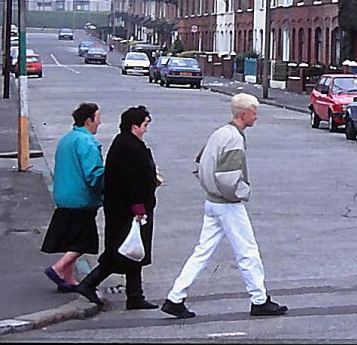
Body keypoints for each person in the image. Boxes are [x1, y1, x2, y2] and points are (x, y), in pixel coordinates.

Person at [160, 93, 287, 318]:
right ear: (243, 113)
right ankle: (259, 299)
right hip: (227, 203)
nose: (256, 117)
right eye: (254, 112)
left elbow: (200, 162)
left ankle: (175, 296)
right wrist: (242, 191)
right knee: (248, 251)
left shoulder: (219, 133)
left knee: (202, 251)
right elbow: (228, 177)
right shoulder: (235, 139)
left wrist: (211, 187)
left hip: (212, 201)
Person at [73, 106, 160, 310]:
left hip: (126, 206)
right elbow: (130, 180)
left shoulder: (127, 142)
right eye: (144, 125)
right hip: (127, 210)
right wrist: (138, 208)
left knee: (134, 251)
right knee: (121, 251)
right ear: (134, 126)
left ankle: (135, 296)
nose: (146, 129)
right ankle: (89, 283)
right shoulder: (128, 146)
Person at [41, 103, 104, 292]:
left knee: (71, 239)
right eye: (97, 120)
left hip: (64, 196)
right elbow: (94, 173)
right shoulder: (87, 142)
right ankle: (58, 268)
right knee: (84, 241)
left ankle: (68, 278)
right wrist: (105, 189)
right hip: (81, 198)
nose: (99, 124)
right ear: (88, 120)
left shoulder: (66, 139)